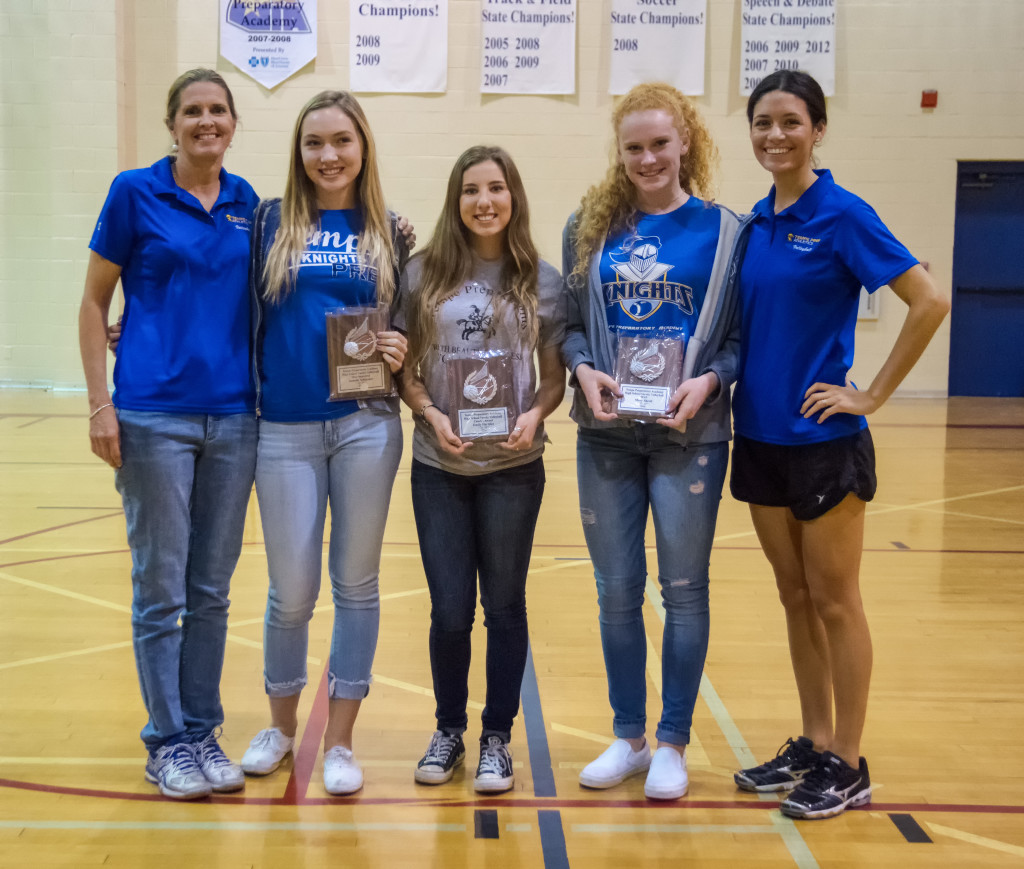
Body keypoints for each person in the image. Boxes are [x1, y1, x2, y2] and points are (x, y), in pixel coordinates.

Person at [730, 70, 949, 820]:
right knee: (794, 597)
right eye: (762, 123)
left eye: (791, 122)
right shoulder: (756, 223)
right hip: (757, 439)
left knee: (834, 600)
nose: (775, 136)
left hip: (824, 443)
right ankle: (816, 741)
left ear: (818, 129)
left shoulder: (843, 214)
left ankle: (849, 762)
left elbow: (930, 298)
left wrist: (872, 393)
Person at [561, 83, 750, 800]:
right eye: (634, 147)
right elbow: (572, 326)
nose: (648, 158)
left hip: (689, 433)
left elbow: (736, 337)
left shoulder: (725, 230)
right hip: (607, 434)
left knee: (683, 589)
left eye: (660, 144)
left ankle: (672, 740)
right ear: (620, 153)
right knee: (616, 591)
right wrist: (582, 369)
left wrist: (711, 382)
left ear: (686, 144)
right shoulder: (589, 226)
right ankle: (629, 736)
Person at [78, 69, 258, 800]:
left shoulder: (250, 204)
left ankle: (202, 729)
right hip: (153, 415)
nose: (205, 122)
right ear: (172, 123)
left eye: (217, 110)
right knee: (160, 587)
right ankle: (165, 741)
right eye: (192, 111)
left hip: (237, 417)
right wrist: (100, 403)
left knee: (210, 588)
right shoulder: (134, 192)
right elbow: (93, 303)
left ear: (234, 123)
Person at [239, 91, 409, 796]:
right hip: (285, 426)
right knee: (292, 590)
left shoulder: (390, 230)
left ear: (363, 147)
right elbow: (225, 298)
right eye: (314, 143)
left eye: (342, 140)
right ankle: (280, 727)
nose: (328, 155)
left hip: (367, 423)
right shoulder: (269, 222)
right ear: (298, 151)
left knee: (357, 583)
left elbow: (412, 320)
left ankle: (339, 740)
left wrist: (402, 344)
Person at [397, 145, 566, 794]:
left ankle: (497, 735)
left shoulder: (541, 280)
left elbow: (552, 379)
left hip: (513, 465)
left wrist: (535, 415)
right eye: (471, 189)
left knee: (503, 604)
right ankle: (448, 729)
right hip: (440, 461)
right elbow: (407, 371)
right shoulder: (422, 275)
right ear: (456, 200)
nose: (484, 200)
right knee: (448, 610)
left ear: (513, 197)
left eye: (496, 187)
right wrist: (430, 415)